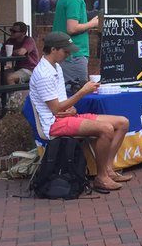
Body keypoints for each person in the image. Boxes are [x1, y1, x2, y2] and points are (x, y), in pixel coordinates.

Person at [28, 31, 129, 193]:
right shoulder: (43, 74)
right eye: (65, 51)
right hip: (53, 124)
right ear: (53, 49)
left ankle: (108, 169)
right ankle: (101, 177)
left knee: (122, 123)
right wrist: (82, 92)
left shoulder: (56, 67)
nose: (68, 55)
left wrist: (71, 108)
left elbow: (62, 104)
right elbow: (56, 109)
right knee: (106, 129)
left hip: (64, 117)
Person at [52, 0, 100, 95]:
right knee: (79, 95)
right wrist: (93, 23)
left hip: (68, 54)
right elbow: (72, 28)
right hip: (73, 55)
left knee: (67, 94)